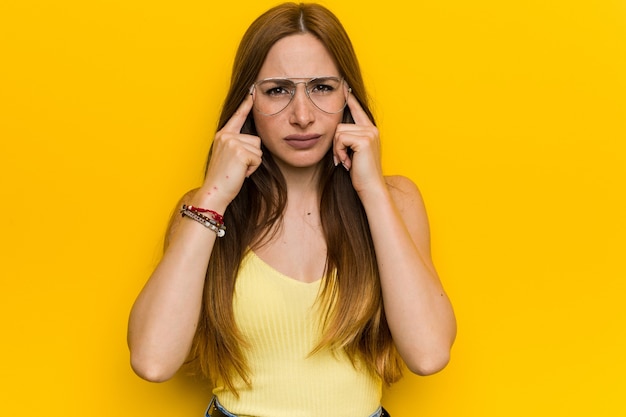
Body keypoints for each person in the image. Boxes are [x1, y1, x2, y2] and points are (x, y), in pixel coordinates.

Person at [127, 3, 456, 416]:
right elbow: (152, 361)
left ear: (348, 97)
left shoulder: (396, 200)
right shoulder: (203, 209)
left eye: (322, 87)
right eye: (278, 89)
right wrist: (213, 196)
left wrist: (371, 189)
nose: (302, 116)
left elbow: (428, 354)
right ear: (246, 102)